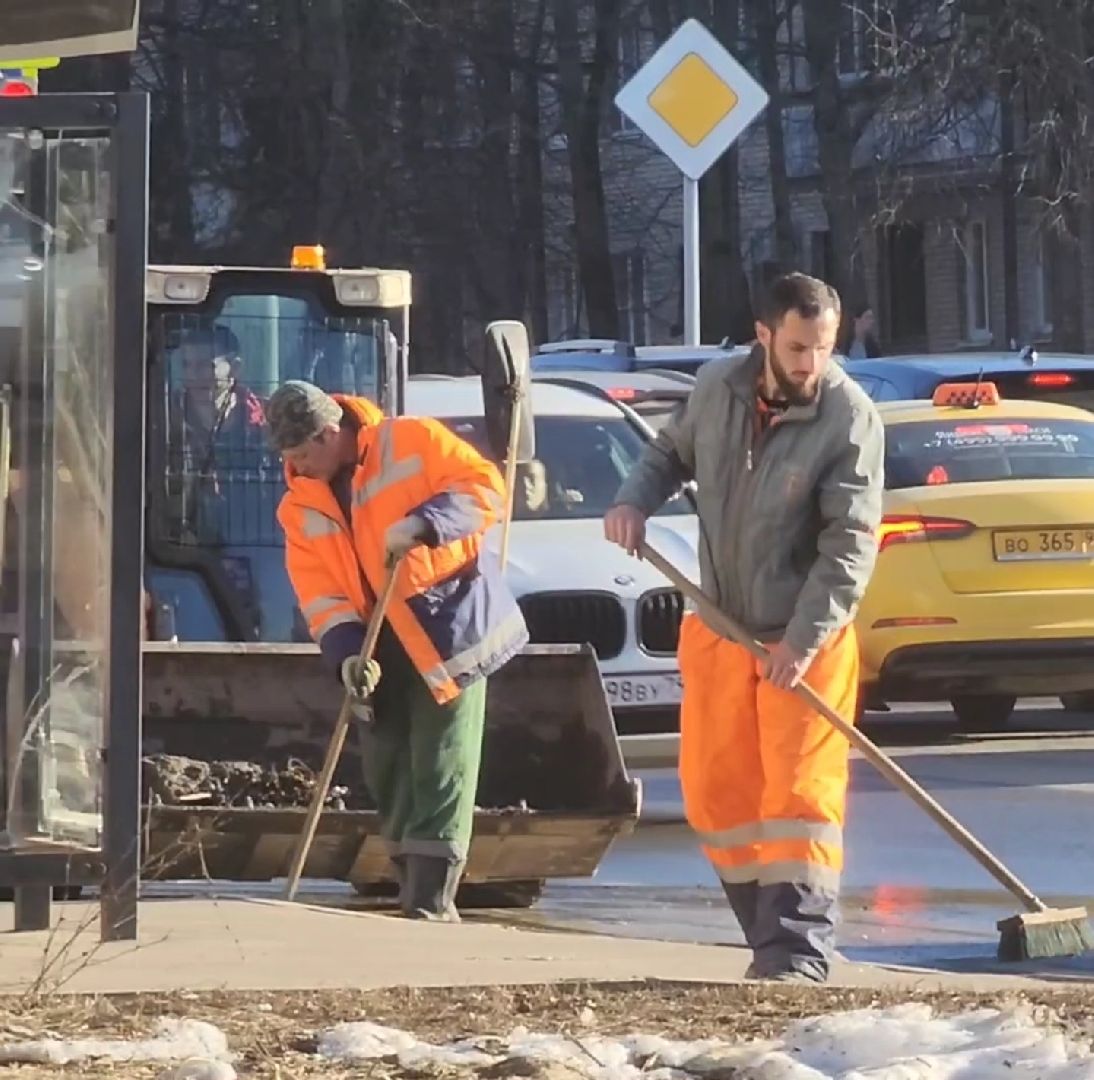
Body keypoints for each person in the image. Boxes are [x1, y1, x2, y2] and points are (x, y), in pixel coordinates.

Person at [604, 273, 884, 983]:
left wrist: (803, 639)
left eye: (823, 347)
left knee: (797, 799)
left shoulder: (848, 418)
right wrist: (635, 501)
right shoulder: (718, 390)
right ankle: (765, 934)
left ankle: (796, 954)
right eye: (796, 346)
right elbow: (669, 453)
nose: (810, 363)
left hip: (802, 640)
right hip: (722, 632)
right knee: (716, 792)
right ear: (763, 335)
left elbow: (848, 545)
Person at [265, 380, 528, 921]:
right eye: (287, 457)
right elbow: (320, 593)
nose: (295, 467)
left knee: (440, 761)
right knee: (389, 766)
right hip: (377, 647)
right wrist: (345, 654)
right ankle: (411, 885)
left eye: (301, 454)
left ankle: (432, 900)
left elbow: (486, 488)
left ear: (330, 432)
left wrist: (426, 524)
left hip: (446, 626)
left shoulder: (412, 441)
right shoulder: (299, 507)